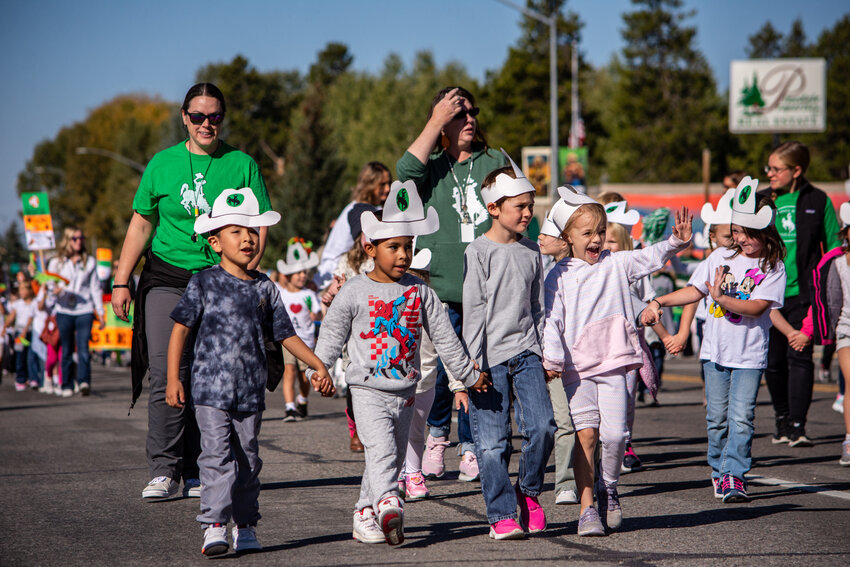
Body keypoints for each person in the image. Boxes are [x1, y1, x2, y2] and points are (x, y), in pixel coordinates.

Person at [111, 82, 273, 500]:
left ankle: (202, 467)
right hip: (168, 276)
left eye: (214, 117)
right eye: (198, 116)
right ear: (184, 117)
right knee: (169, 368)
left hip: (220, 278)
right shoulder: (162, 164)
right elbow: (141, 224)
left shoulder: (241, 163)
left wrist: (246, 272)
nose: (206, 124)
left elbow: (258, 226)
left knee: (210, 375)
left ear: (222, 119)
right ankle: (164, 469)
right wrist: (121, 279)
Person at [309, 180, 488, 546]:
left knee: (386, 457)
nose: (404, 255)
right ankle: (390, 502)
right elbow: (331, 333)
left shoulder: (420, 291)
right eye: (394, 248)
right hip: (367, 388)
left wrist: (468, 375)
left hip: (405, 389)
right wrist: (320, 367)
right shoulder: (355, 290)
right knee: (382, 451)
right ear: (370, 248)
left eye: (408, 247)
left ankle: (364, 512)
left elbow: (445, 339)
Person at [164, 188, 334, 556]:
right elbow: (180, 328)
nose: (247, 238)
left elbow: (286, 334)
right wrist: (173, 378)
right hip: (209, 391)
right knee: (216, 457)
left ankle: (245, 524)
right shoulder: (204, 282)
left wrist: (317, 363)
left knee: (248, 461)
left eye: (252, 230)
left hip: (250, 391)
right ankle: (213, 525)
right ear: (216, 241)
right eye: (236, 231)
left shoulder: (265, 287)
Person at [543, 190, 691, 536]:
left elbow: (651, 257)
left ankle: (609, 487)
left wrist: (674, 242)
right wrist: (552, 358)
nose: (596, 239)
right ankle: (587, 508)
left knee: (616, 435)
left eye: (600, 231)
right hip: (577, 372)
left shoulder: (616, 263)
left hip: (615, 364)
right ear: (567, 238)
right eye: (587, 233)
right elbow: (553, 321)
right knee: (587, 436)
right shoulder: (558, 277)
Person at [397, 86, 507, 481]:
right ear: (443, 122)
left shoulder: (494, 160)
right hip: (440, 287)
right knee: (441, 374)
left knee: (481, 370)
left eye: (473, 112)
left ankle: (473, 445)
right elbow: (404, 172)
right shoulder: (432, 166)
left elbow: (518, 204)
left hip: (487, 289)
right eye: (459, 114)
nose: (470, 119)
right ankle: (437, 437)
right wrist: (436, 120)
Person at [656, 177, 786, 503]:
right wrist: (660, 301)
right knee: (716, 419)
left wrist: (722, 298)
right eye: (736, 231)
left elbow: (757, 307)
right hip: (714, 353)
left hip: (749, 356)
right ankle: (719, 468)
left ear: (765, 231)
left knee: (741, 418)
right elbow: (694, 291)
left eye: (746, 232)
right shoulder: (718, 258)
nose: (740, 239)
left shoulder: (772, 266)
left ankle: (734, 475)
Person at [463, 157, 555, 539]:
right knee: (491, 444)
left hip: (527, 352)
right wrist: (469, 368)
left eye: (530, 205)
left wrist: (546, 351)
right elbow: (473, 311)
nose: (528, 212)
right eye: (520, 206)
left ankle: (528, 492)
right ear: (494, 208)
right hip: (487, 361)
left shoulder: (533, 250)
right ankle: (501, 514)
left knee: (544, 427)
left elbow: (538, 308)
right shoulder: (478, 252)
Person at [762, 141, 841, 446]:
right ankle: (781, 419)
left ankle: (798, 425)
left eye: (776, 168)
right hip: (768, 294)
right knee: (773, 360)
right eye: (768, 168)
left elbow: (833, 248)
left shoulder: (818, 200)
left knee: (801, 355)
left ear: (796, 170)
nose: (769, 173)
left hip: (804, 293)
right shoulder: (762, 200)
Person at [597, 196, 651, 473]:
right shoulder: (592, 268)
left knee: (627, 399)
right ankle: (601, 445)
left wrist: (662, 333)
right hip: (600, 346)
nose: (607, 247)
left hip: (629, 346)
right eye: (603, 240)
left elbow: (647, 301)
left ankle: (625, 444)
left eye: (613, 242)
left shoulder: (635, 268)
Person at [538, 198, 578, 505]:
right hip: (552, 360)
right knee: (562, 421)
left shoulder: (583, 271)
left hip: (584, 358)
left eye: (547, 233)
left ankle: (593, 480)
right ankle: (565, 482)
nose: (539, 237)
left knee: (590, 424)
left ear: (564, 242)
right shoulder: (539, 268)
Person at [313, 162, 391, 290]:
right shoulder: (357, 210)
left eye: (389, 183)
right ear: (369, 184)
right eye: (382, 184)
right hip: (336, 277)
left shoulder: (372, 209)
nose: (387, 189)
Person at [47, 228, 105, 396]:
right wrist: (53, 290)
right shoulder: (56, 263)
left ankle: (84, 381)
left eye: (82, 237)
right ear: (67, 240)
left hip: (84, 309)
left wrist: (100, 313)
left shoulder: (90, 262)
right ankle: (66, 384)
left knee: (83, 348)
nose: (79, 241)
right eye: (75, 238)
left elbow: (95, 288)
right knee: (65, 349)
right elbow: (50, 286)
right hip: (64, 310)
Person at [275, 238, 322, 422]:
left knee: (304, 376)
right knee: (289, 372)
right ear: (288, 275)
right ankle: (289, 408)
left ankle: (302, 400)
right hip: (287, 340)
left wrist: (314, 316)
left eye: (304, 272)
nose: (302, 275)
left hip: (306, 342)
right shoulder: (282, 294)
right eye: (297, 272)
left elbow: (317, 313)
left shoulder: (309, 295)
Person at [5, 277, 37, 391]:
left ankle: (32, 378)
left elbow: (31, 318)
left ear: (30, 291)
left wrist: (25, 331)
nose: (22, 292)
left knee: (31, 356)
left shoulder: (34, 303)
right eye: (20, 290)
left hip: (30, 331)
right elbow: (12, 316)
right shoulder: (17, 303)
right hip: (19, 332)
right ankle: (20, 379)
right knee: (20, 356)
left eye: (24, 289)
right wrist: (4, 327)